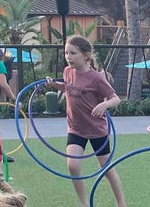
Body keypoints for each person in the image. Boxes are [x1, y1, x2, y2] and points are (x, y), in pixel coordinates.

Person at [46, 36, 126, 207]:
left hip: (97, 129)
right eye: (66, 52)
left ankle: (121, 203)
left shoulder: (96, 78)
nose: (68, 56)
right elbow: (68, 87)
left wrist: (104, 104)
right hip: (75, 128)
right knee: (72, 166)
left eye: (73, 53)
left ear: (86, 56)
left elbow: (115, 98)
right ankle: (84, 203)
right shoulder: (67, 71)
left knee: (106, 169)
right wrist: (55, 85)